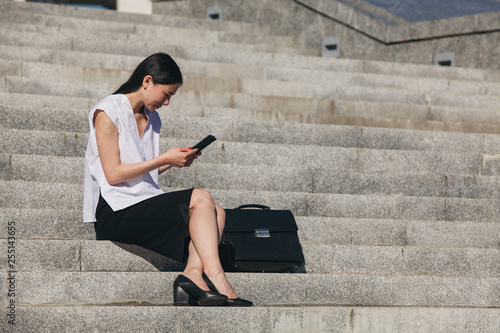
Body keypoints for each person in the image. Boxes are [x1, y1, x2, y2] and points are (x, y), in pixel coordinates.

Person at [83, 52, 252, 307]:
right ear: (148, 81)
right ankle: (217, 277)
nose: (167, 102)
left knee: (217, 212)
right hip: (114, 210)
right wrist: (164, 159)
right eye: (167, 94)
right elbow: (114, 174)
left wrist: (174, 162)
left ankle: (192, 274)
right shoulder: (108, 112)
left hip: (140, 201)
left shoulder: (152, 119)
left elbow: (142, 172)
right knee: (202, 197)